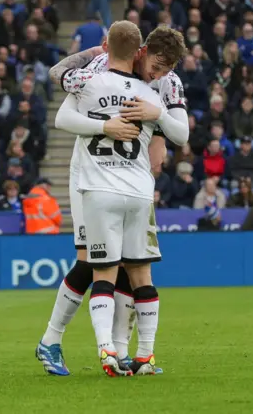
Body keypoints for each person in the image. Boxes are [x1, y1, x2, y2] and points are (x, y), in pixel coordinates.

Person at [39, 25, 188, 376]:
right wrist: (106, 126)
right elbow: (61, 95)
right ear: (142, 50)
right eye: (158, 64)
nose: (160, 73)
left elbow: (181, 132)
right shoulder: (100, 68)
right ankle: (51, 340)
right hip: (90, 174)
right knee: (93, 261)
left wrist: (160, 124)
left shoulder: (168, 83)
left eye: (168, 68)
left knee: (128, 261)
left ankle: (120, 350)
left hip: (132, 177)